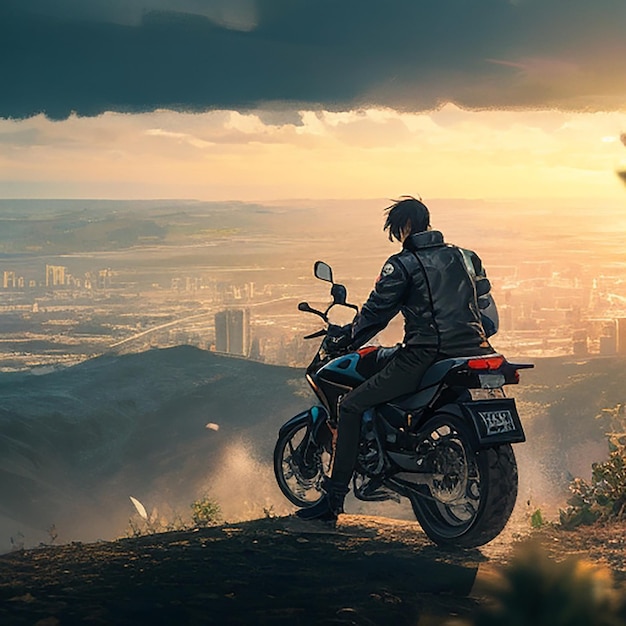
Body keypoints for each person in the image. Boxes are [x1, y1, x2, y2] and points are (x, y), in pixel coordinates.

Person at [296, 196, 498, 522]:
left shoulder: (401, 264)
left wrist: (345, 339)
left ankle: (332, 502)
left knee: (350, 406)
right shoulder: (466, 256)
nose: (398, 237)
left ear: (404, 226)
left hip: (425, 354)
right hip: (475, 350)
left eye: (396, 230)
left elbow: (376, 314)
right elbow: (484, 302)